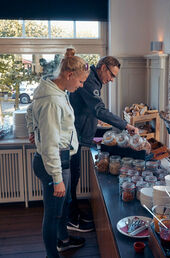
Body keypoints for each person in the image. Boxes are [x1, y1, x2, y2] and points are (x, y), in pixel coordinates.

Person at [26, 48, 90, 257]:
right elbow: (51, 145)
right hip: (54, 163)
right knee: (53, 214)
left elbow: (29, 110)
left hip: (62, 159)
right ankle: (51, 255)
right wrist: (57, 178)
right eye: (80, 82)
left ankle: (63, 240)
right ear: (69, 75)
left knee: (64, 206)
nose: (81, 86)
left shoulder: (55, 91)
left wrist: (32, 130)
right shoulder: (53, 101)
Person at [68, 56, 139, 232]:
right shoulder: (91, 82)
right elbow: (98, 109)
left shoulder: (93, 80)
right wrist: (125, 125)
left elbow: (89, 110)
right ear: (103, 68)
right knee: (72, 177)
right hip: (73, 136)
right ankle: (71, 219)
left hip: (78, 134)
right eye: (112, 75)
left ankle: (74, 214)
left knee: (74, 176)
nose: (112, 80)